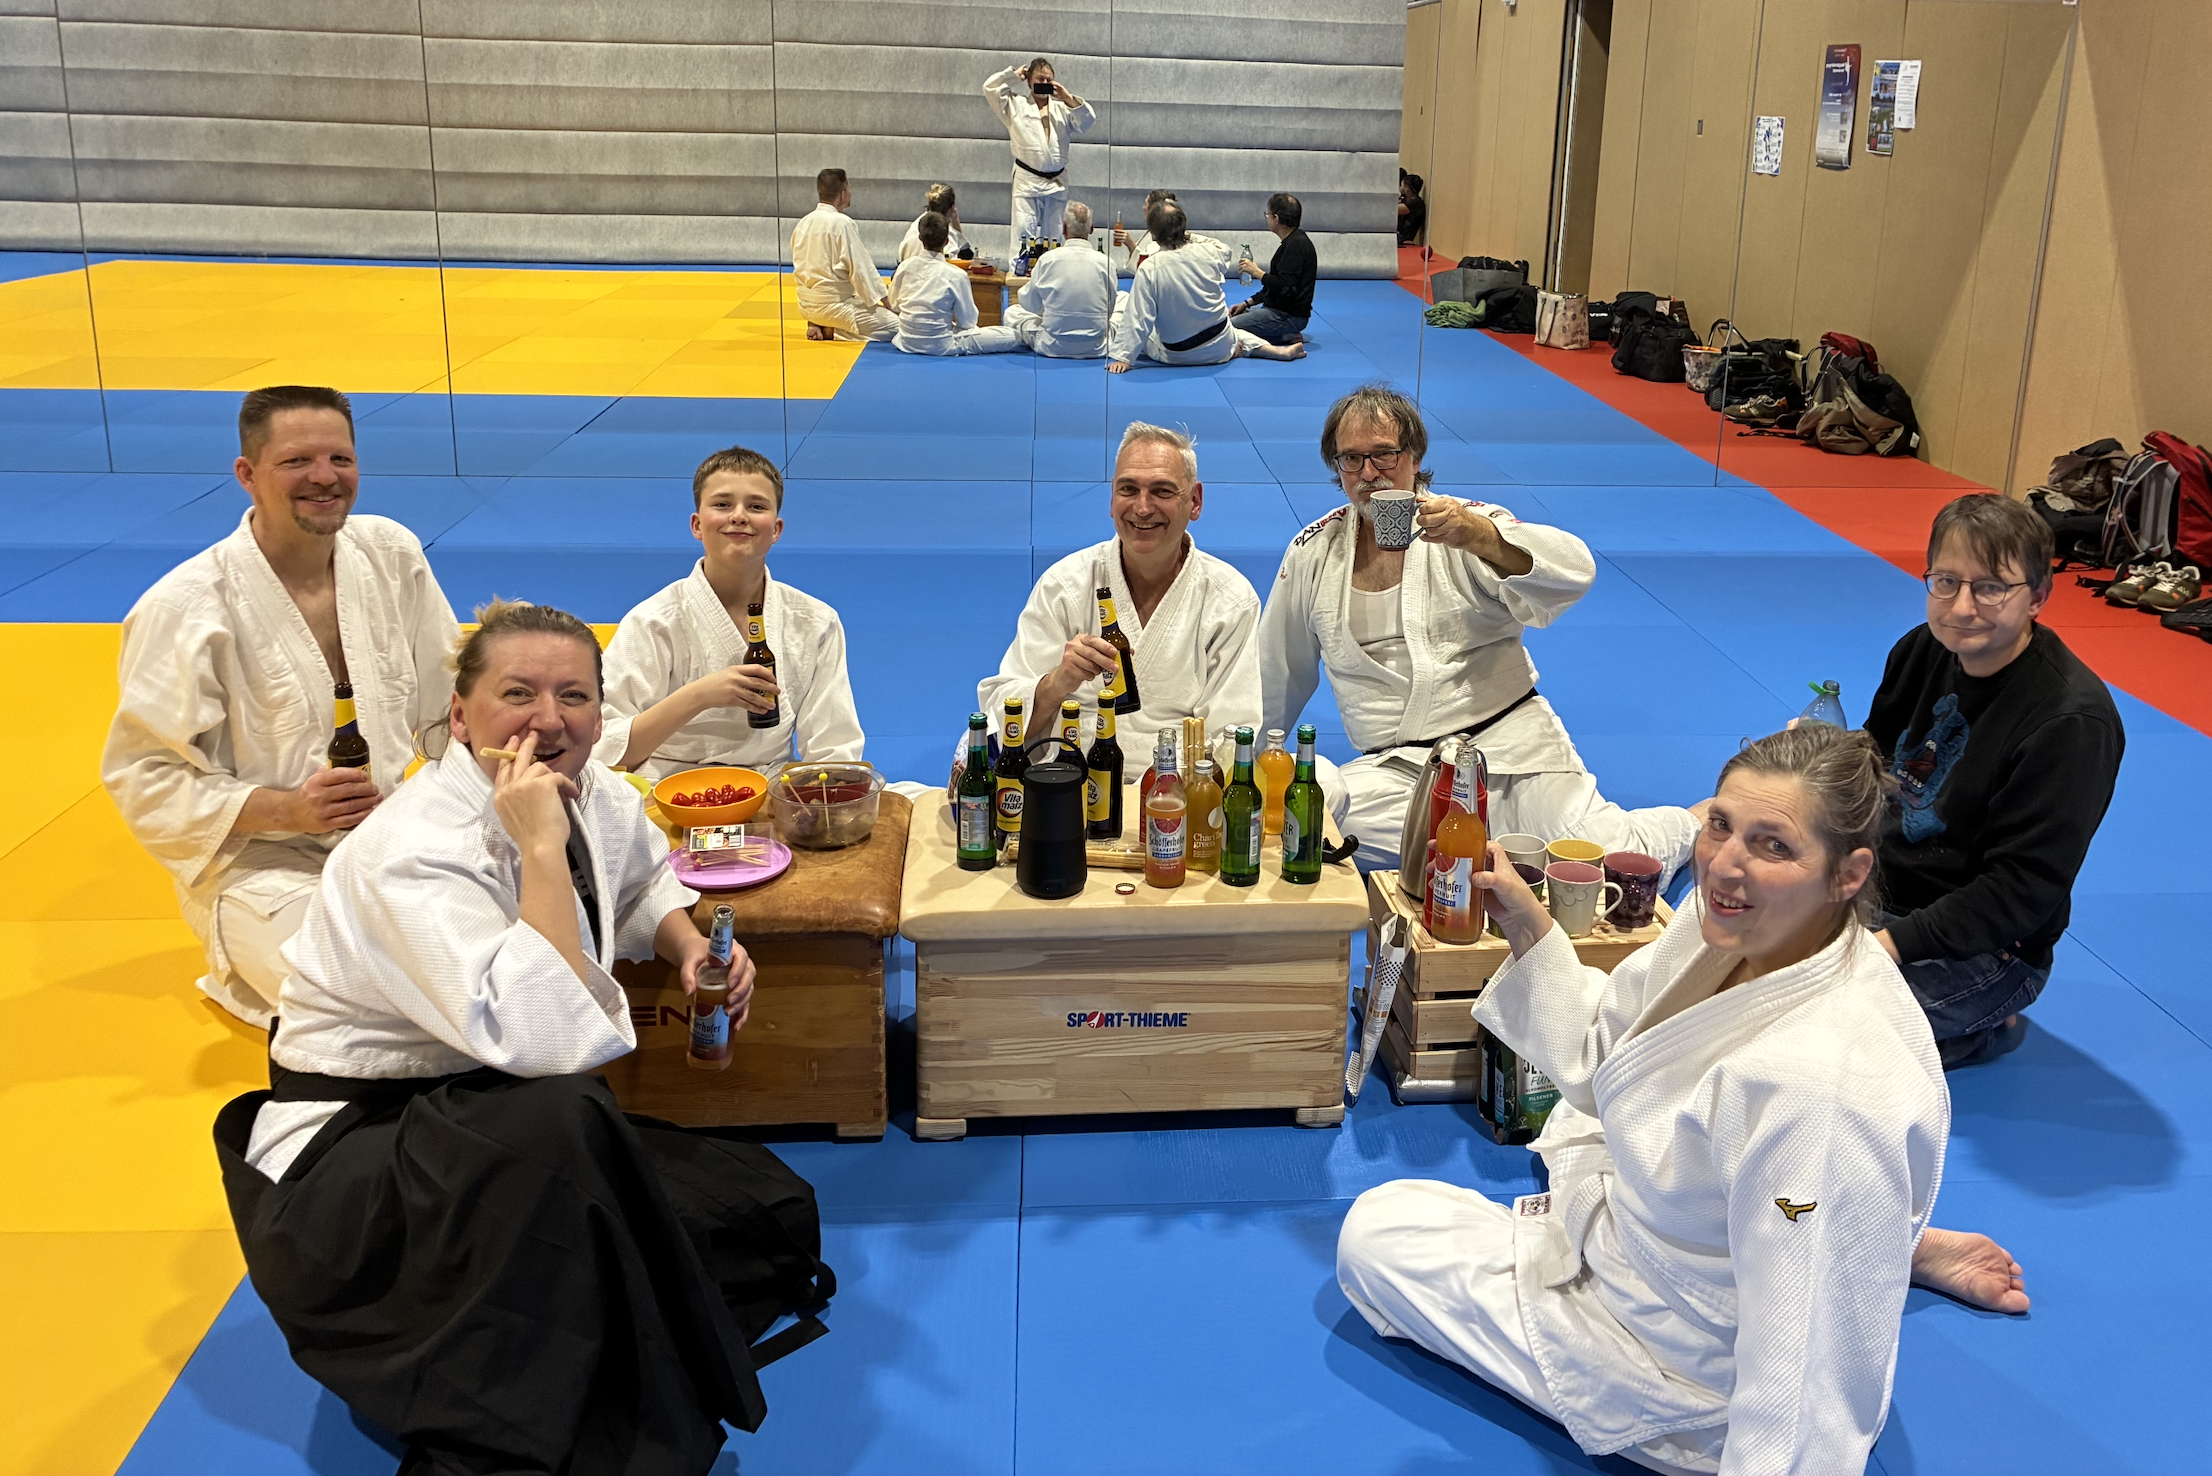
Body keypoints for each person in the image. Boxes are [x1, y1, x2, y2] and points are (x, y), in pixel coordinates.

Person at [214, 600, 833, 1471]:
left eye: (574, 696)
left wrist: (690, 946)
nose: (549, 719)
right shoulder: (414, 850)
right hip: (365, 1159)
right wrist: (541, 849)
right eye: (518, 694)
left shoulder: (589, 790)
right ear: (460, 716)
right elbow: (543, 1041)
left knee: (764, 1212)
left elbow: (639, 884)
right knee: (570, 1118)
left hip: (487, 1113)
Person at [1339, 723, 2028, 1476]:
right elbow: (1610, 1053)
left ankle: (1847, 1252)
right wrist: (1528, 923)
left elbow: (1804, 1365)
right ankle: (1874, 1241)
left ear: (1848, 874)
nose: (1725, 864)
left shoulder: (1824, 1094)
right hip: (1735, 1218)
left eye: (1773, 845)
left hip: (1691, 1365)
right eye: (1721, 825)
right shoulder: (1731, 926)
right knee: (1593, 1122)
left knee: (1377, 1234)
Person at [103, 385, 458, 1028]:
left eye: (340, 458)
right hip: (262, 865)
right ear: (247, 474)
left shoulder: (390, 554)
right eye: (297, 461)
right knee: (349, 996)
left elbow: (449, 707)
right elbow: (144, 778)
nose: (325, 477)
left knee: (520, 943)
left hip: (389, 838)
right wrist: (286, 809)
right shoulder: (185, 609)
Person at [1259, 383, 1697, 872]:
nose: (1368, 473)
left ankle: (1693, 821)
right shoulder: (1314, 553)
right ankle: (1489, 851)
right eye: (1351, 459)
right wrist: (1241, 766)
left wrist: (1482, 538)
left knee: (1600, 871)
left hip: (1514, 751)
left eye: (1384, 454)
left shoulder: (1465, 524)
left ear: (1414, 456)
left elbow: (1576, 570)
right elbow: (1276, 670)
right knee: (1311, 828)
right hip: (1400, 774)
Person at [1862, 492, 2124, 1069]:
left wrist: (1886, 948)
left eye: (1990, 588)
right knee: (1740, 966)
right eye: (1946, 582)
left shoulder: (2069, 722)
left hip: (1988, 949)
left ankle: (1976, 1019)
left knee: (1815, 1029)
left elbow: (2022, 889)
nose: (1962, 608)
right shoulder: (1921, 649)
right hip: (1880, 891)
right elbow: (1875, 762)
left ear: (2038, 596)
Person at [973, 422, 1262, 770]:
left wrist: (1167, 788)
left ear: (1195, 501)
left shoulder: (1230, 600)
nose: (1142, 507)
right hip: (1070, 780)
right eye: (1128, 489)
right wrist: (1058, 681)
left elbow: (1234, 736)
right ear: (1112, 499)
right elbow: (1001, 721)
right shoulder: (1065, 585)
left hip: (1178, 786)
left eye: (1162, 491)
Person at [597, 445, 864, 782]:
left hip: (768, 788)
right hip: (664, 789)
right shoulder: (652, 621)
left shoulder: (815, 621)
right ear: (697, 525)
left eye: (756, 506)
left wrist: (822, 799)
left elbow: (833, 751)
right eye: (722, 504)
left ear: (776, 529)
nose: (739, 516)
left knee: (914, 797)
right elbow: (603, 748)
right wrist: (699, 696)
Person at [1107, 203, 1306, 371]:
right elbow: (1225, 249)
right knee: (1232, 330)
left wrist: (1125, 357)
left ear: (1153, 234)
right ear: (1184, 227)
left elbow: (1139, 317)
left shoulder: (1151, 266)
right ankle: (1274, 350)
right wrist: (1185, 235)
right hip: (1221, 345)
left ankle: (1247, 348)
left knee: (1137, 320)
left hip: (1180, 354)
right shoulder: (1209, 252)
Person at [982, 56, 1096, 262]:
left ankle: (1054, 270)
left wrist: (1067, 97)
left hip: (1056, 181)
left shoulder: (1062, 108)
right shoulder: (1015, 105)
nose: (1044, 83)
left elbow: (1087, 121)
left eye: (1048, 80)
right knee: (1023, 232)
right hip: (1027, 179)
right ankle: (1020, 273)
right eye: (1040, 79)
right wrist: (1012, 76)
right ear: (1028, 81)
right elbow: (990, 88)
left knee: (1055, 235)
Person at [886, 211, 1023, 357]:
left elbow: (894, 305)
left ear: (920, 238)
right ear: (947, 241)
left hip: (906, 340)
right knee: (1012, 336)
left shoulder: (904, 267)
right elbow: (968, 322)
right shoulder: (956, 274)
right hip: (941, 345)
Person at [792, 167, 896, 343]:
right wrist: (889, 304)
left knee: (863, 304)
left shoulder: (803, 223)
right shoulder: (842, 224)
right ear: (842, 194)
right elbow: (861, 271)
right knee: (900, 328)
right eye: (849, 188)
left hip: (806, 306)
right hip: (834, 306)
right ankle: (832, 329)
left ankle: (820, 323)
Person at [1004, 201, 1117, 359]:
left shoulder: (1047, 259)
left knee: (1012, 312)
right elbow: (1110, 309)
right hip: (1097, 346)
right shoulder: (1107, 262)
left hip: (1052, 345)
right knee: (1123, 299)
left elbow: (1030, 303)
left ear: (1064, 228)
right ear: (1092, 228)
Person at [1231, 192, 1317, 346]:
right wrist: (1247, 303)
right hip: (1278, 310)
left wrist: (1257, 272)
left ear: (1276, 219)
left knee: (1228, 328)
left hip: (1289, 316)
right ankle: (1282, 335)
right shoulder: (1292, 242)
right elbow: (1274, 288)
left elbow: (1285, 286)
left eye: (1268, 214)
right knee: (1227, 319)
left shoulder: (1295, 246)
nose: (1267, 218)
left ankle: (1283, 336)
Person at [898, 182, 971, 263]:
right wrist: (955, 221)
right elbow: (967, 256)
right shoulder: (947, 231)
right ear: (952, 208)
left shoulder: (915, 226)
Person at [1397, 171, 1427, 247]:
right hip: (1400, 236)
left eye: (1401, 185)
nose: (1400, 187)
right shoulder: (1407, 199)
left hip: (1404, 238)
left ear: (1407, 189)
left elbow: (1393, 210)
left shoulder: (1416, 203)